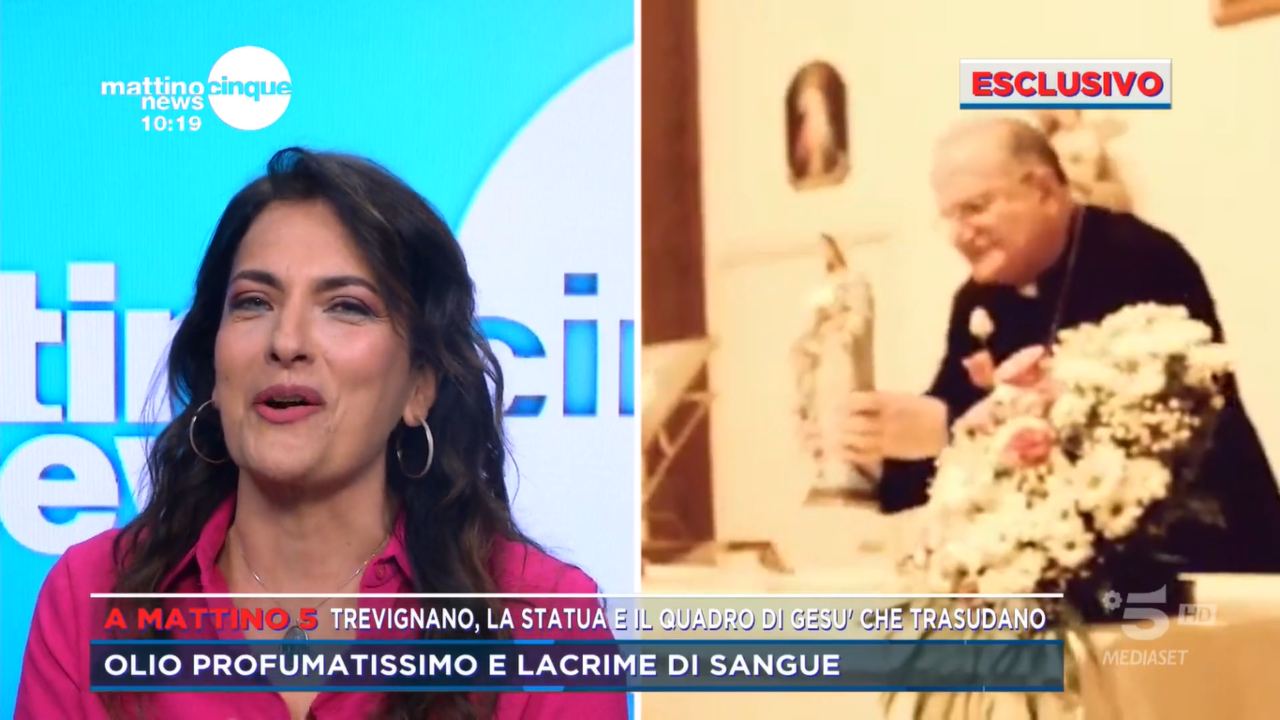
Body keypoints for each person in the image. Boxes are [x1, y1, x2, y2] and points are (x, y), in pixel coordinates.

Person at [16, 148, 627, 719]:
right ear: (214, 363)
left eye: (346, 307)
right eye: (254, 302)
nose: (286, 342)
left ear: (419, 385)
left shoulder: (546, 624)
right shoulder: (91, 597)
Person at [835, 117, 1280, 572]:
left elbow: (1135, 433)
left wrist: (950, 430)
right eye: (950, 216)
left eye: (975, 208)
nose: (960, 233)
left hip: (1205, 554)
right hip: (1061, 567)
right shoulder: (976, 300)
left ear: (1045, 191)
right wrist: (878, 454)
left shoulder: (1140, 259)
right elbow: (950, 452)